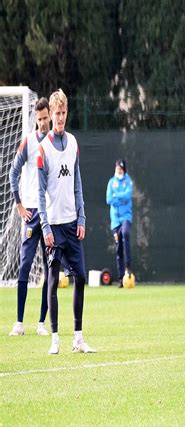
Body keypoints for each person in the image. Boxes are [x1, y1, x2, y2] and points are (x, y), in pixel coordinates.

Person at [38, 89, 95, 354]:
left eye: (63, 113)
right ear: (50, 115)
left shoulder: (73, 143)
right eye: (56, 114)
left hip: (72, 224)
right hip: (54, 226)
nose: (59, 118)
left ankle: (78, 338)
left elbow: (77, 184)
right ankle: (55, 338)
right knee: (52, 280)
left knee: (80, 277)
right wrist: (45, 226)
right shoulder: (43, 148)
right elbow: (40, 193)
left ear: (66, 113)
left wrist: (81, 217)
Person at [8, 98, 51, 337]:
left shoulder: (56, 143)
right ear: (35, 118)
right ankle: (19, 322)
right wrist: (18, 204)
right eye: (40, 119)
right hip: (32, 213)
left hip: (50, 216)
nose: (44, 123)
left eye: (46, 118)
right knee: (24, 265)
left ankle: (42, 323)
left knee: (49, 268)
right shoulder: (29, 142)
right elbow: (14, 172)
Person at [106, 159, 133, 287]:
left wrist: (117, 196)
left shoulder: (128, 181)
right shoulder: (111, 182)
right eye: (117, 168)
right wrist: (118, 199)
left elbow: (127, 196)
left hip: (126, 217)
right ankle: (121, 278)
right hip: (115, 221)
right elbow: (109, 199)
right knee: (118, 249)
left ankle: (128, 266)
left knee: (126, 233)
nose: (119, 170)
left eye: (121, 168)